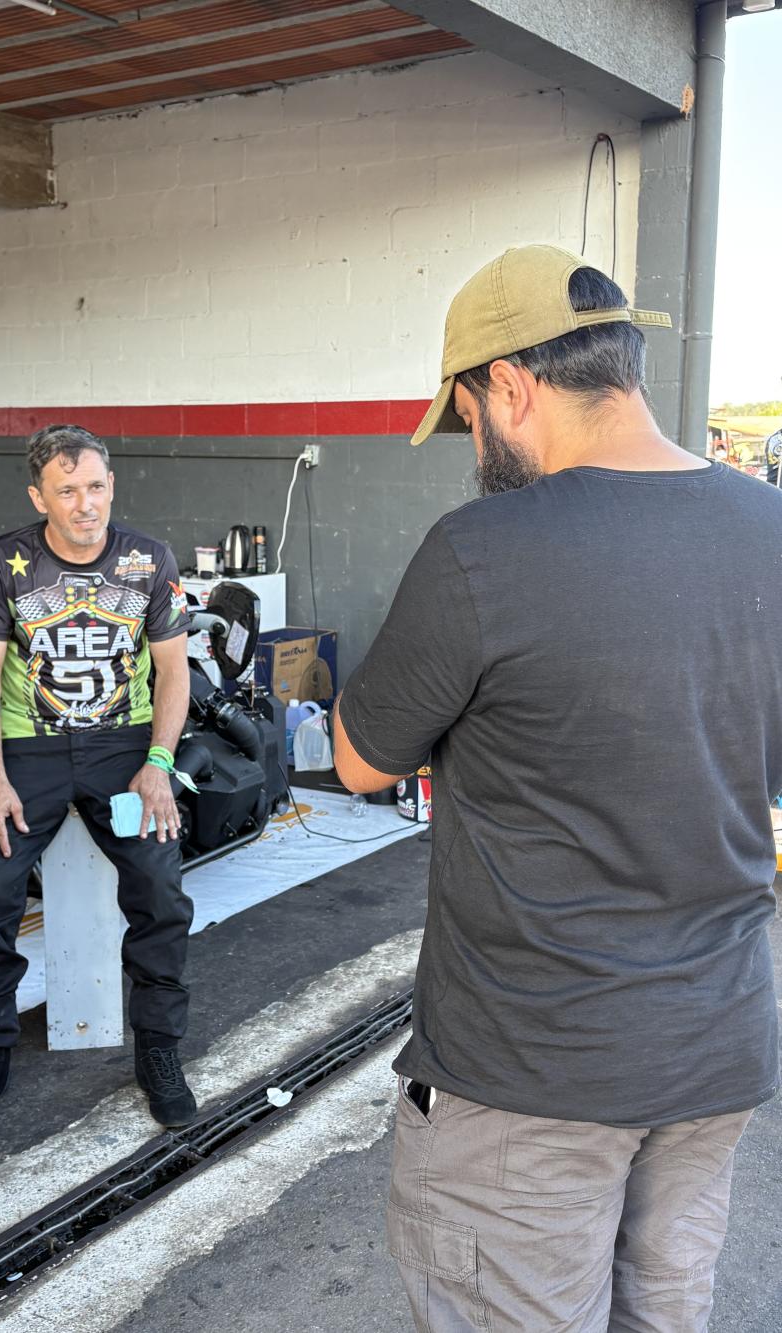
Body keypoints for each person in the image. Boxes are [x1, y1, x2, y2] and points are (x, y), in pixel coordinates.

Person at [333, 244, 781, 1333]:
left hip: (529, 1072)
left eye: (470, 421)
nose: (473, 450)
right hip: (715, 1046)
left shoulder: (482, 549)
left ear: (512, 387)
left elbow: (359, 758)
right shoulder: (772, 528)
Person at [0, 424, 196, 1141]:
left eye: (96, 487)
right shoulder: (2, 563)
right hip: (30, 748)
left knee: (161, 890)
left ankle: (160, 1050)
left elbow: (174, 673)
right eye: (67, 490)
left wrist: (160, 764)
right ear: (38, 494)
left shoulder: (149, 560)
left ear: (111, 484)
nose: (86, 505)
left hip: (125, 747)